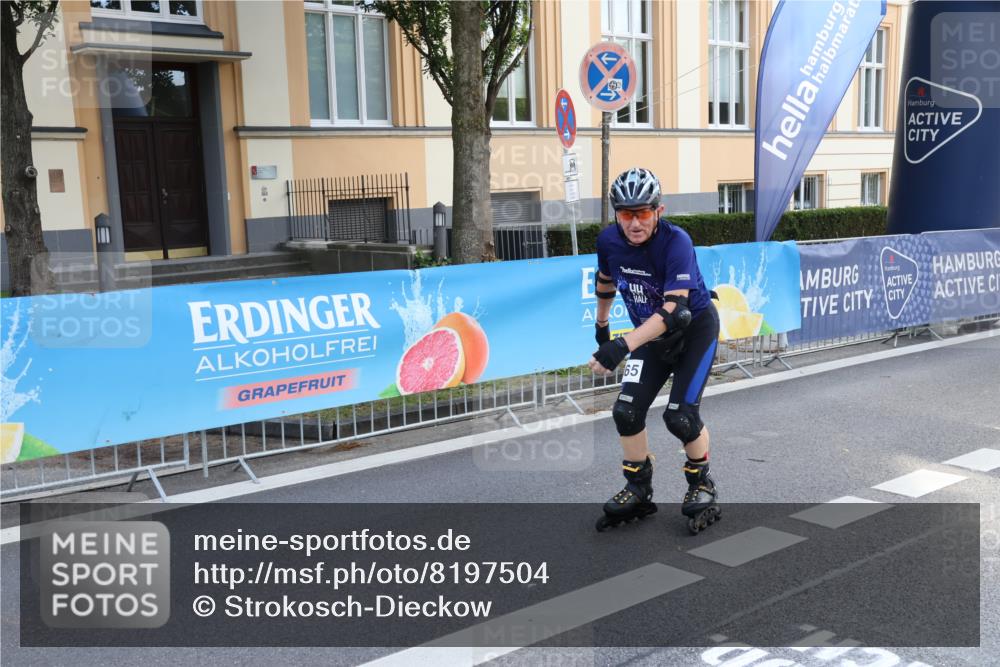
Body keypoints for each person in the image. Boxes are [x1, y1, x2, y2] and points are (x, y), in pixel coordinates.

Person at [589, 167, 721, 534]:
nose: (634, 223)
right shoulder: (608, 241)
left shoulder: (676, 241)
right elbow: (605, 281)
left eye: (643, 213)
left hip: (694, 330)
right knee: (626, 412)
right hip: (651, 336)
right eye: (626, 214)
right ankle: (638, 488)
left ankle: (701, 484)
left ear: (658, 211)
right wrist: (601, 327)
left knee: (680, 416)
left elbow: (675, 311)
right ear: (615, 212)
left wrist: (622, 344)